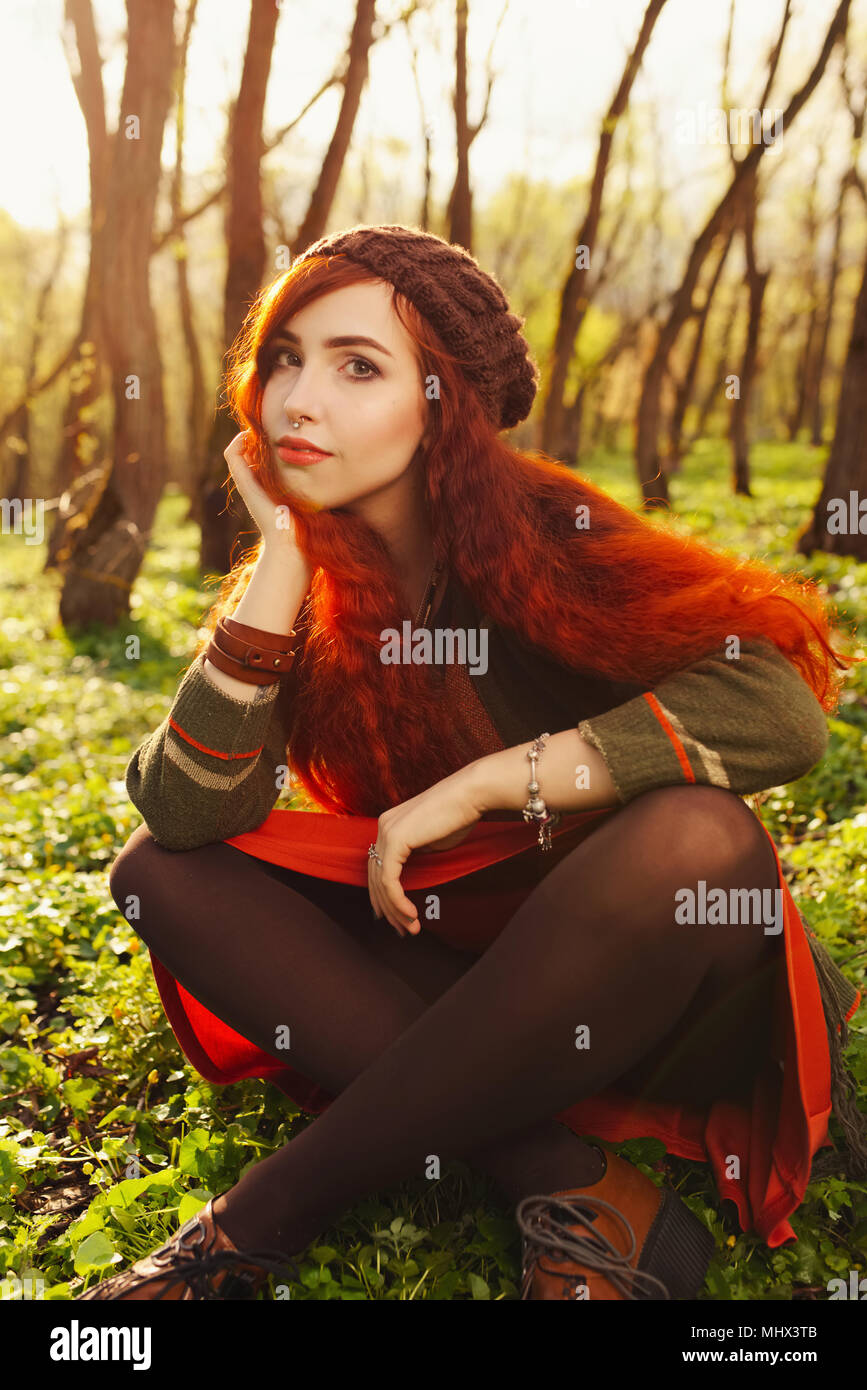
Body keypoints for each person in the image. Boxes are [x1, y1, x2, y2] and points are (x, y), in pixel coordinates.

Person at [79, 223, 864, 1302]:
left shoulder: (551, 528)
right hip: (467, 975)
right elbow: (183, 812)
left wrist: (493, 782)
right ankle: (571, 1180)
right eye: (285, 359)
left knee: (693, 838)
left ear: (443, 399)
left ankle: (257, 1220)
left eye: (359, 366)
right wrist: (273, 578)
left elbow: (780, 709)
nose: (299, 400)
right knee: (155, 871)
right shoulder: (308, 578)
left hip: (653, 972)